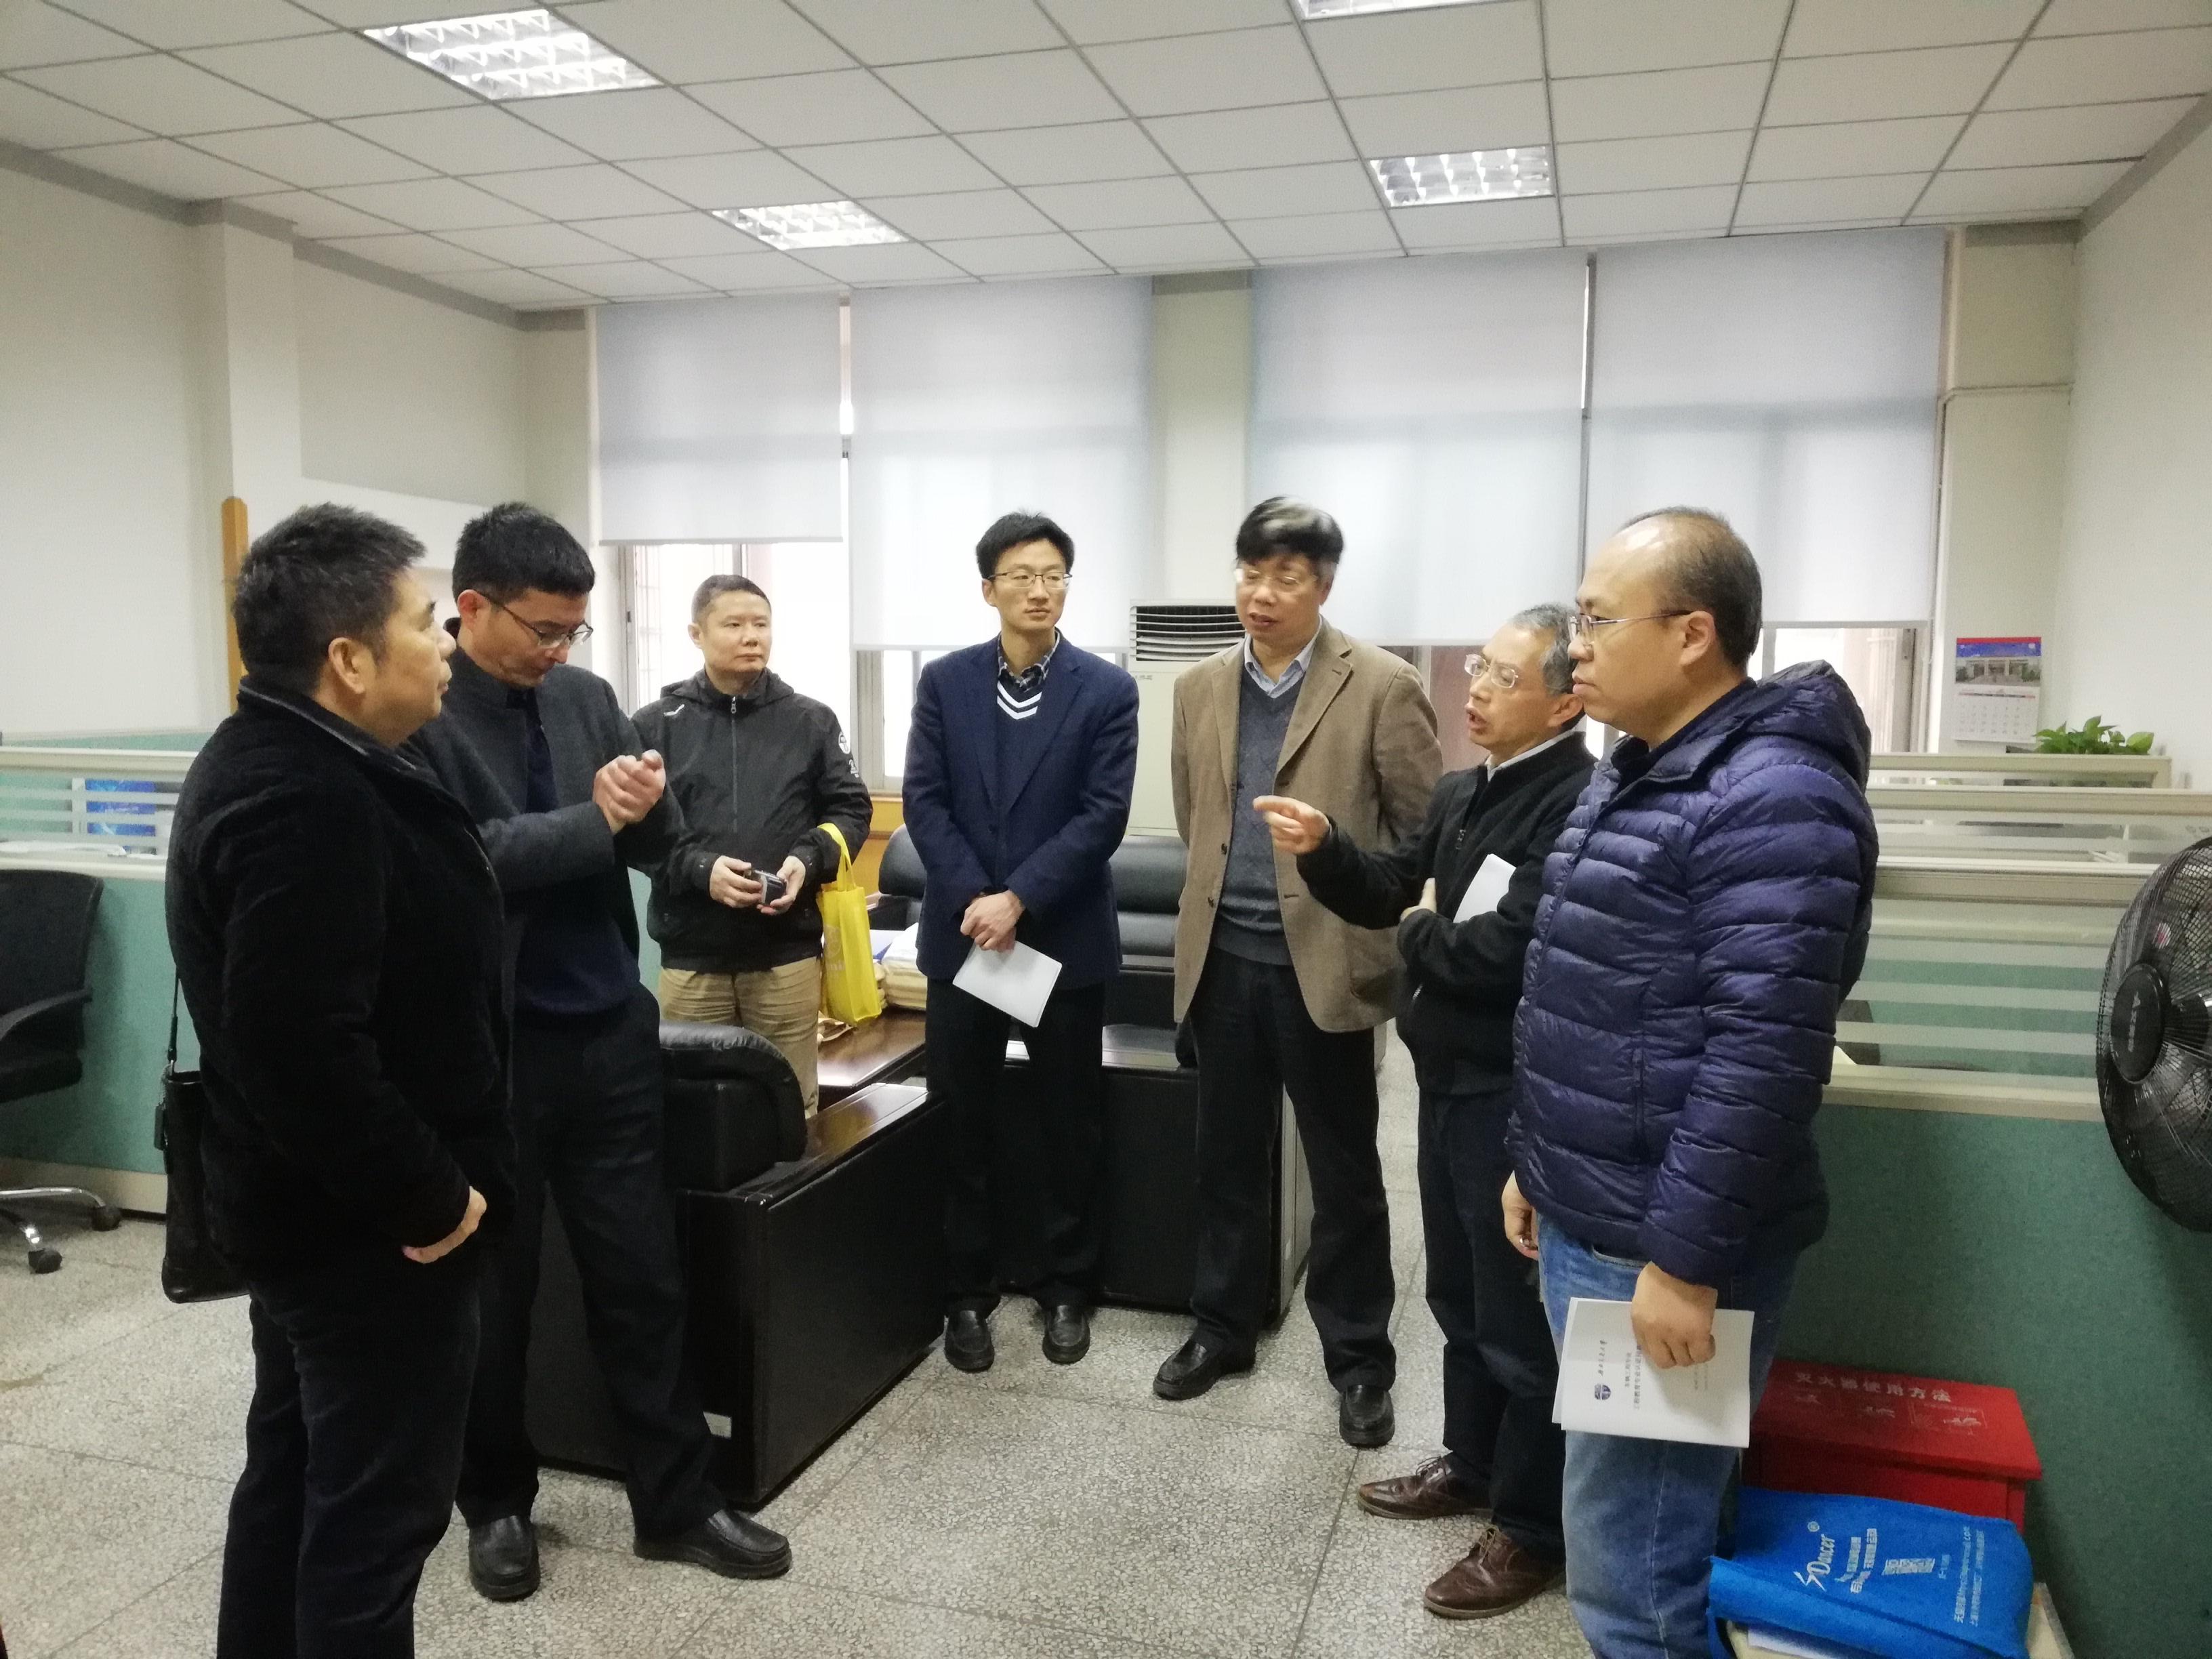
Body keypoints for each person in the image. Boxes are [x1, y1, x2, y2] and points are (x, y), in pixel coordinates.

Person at [1502, 509, 1878, 1659]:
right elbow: (1585, 996)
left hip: (1662, 1246)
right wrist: (1535, 1165)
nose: (1573, 646)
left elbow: (1762, 1054)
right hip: (1603, 1212)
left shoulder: (1771, 795)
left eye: (1595, 619)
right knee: (1648, 1529)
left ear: (1691, 634)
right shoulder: (1640, 767)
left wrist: (1684, 1261)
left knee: (1634, 1574)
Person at [406, 504, 788, 1601]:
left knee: (642, 1278)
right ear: (471, 607)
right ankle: (496, 1503)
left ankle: (676, 1501)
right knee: (499, 1294)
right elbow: (468, 860)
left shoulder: (583, 697)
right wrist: (599, 819)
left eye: (574, 629)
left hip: (609, 1035)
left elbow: (652, 843)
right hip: (497, 1053)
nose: (560, 650)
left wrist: (653, 812)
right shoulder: (423, 710)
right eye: (543, 629)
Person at [167, 504, 511, 1657]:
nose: (446, 641)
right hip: (368, 1237)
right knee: (373, 1524)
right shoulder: (305, 795)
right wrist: (431, 1199)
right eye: (425, 620)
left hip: (308, 1216)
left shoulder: (295, 753)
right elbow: (298, 1045)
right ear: (349, 659)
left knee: (297, 1478)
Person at [1260, 605, 1593, 1618]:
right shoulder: (1461, 791)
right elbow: (1391, 891)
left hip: (1511, 1093)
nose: (1475, 689)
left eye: (1503, 677)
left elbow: (1503, 953)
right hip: (1445, 1082)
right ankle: (1474, 1465)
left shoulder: (1577, 805)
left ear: (1566, 701)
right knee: (1456, 1294)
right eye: (1478, 667)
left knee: (1520, 1319)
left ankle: (1531, 1529)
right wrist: (1327, 847)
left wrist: (1419, 934)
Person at [1155, 497, 1441, 1447]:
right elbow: (1196, 816)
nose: (1262, 594)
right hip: (1222, 962)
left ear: (1322, 586)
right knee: (1225, 1162)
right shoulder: (1199, 686)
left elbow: (1419, 835)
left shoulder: (1383, 683)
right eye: (1251, 573)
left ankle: (1359, 1361)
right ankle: (1222, 1328)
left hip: (1324, 962)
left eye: (1285, 577)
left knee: (1345, 1174)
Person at [902, 510, 1139, 1373]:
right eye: (1021, 576)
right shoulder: (946, 682)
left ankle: (1068, 1285)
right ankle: (965, 1291)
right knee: (961, 1118)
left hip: (1060, 940)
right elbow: (924, 800)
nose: (1039, 590)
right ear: (989, 589)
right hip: (968, 939)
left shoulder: (1106, 690)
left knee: (1068, 1122)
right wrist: (980, 901)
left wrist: (1020, 899)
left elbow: (1101, 816)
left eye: (1054, 575)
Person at [632, 573, 872, 1113]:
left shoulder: (810, 720)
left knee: (790, 1109)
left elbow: (851, 809)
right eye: (734, 624)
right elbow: (636, 833)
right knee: (693, 1112)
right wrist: (700, 870)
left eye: (761, 625)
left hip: (785, 956)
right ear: (697, 633)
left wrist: (808, 860)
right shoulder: (655, 725)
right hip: (692, 957)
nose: (751, 637)